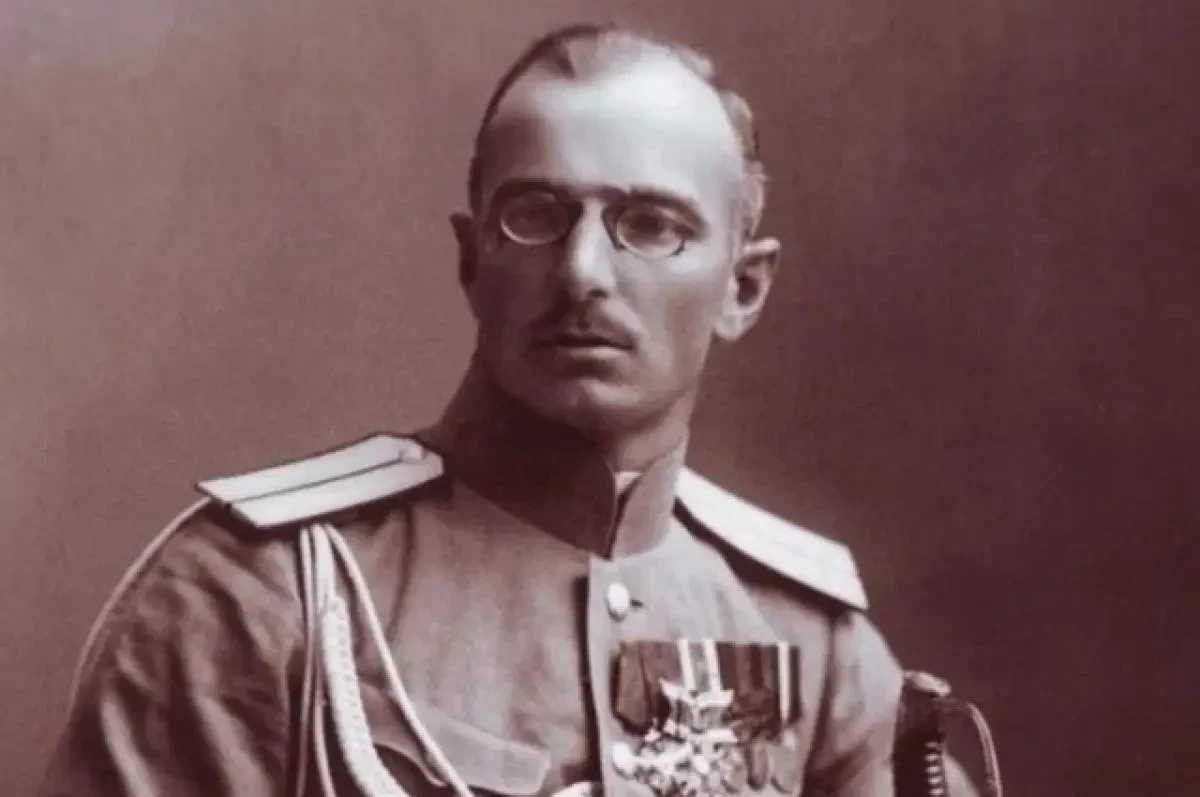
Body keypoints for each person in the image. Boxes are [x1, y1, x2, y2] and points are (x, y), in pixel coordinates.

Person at [38, 23, 981, 797]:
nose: (582, 272)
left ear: (743, 287)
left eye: (651, 225)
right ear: (471, 259)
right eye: (536, 215)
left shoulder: (811, 641)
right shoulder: (265, 592)